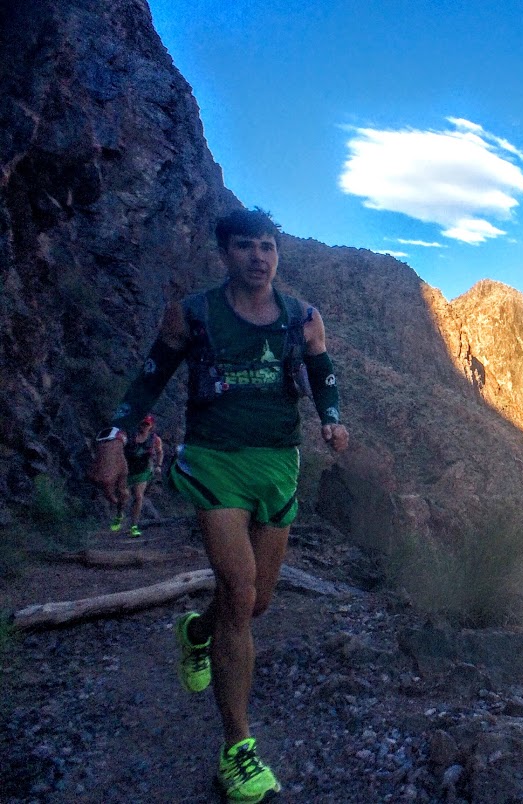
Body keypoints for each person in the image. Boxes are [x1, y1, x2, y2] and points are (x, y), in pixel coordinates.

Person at [89, 208, 349, 803]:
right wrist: (111, 438)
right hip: (213, 461)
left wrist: (332, 421)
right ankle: (237, 749)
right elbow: (149, 380)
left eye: (267, 247)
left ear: (276, 254)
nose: (258, 257)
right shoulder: (194, 314)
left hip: (278, 464)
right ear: (224, 253)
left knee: (255, 602)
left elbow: (321, 374)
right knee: (237, 589)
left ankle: (197, 632)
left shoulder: (303, 319)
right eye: (245, 247)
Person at [107, 414, 164, 537]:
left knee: (138, 497)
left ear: (151, 426)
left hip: (142, 471)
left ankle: (134, 526)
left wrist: (158, 465)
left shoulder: (155, 439)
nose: (144, 426)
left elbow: (160, 452)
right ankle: (119, 515)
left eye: (147, 424)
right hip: (126, 470)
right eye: (142, 423)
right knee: (123, 496)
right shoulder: (130, 435)